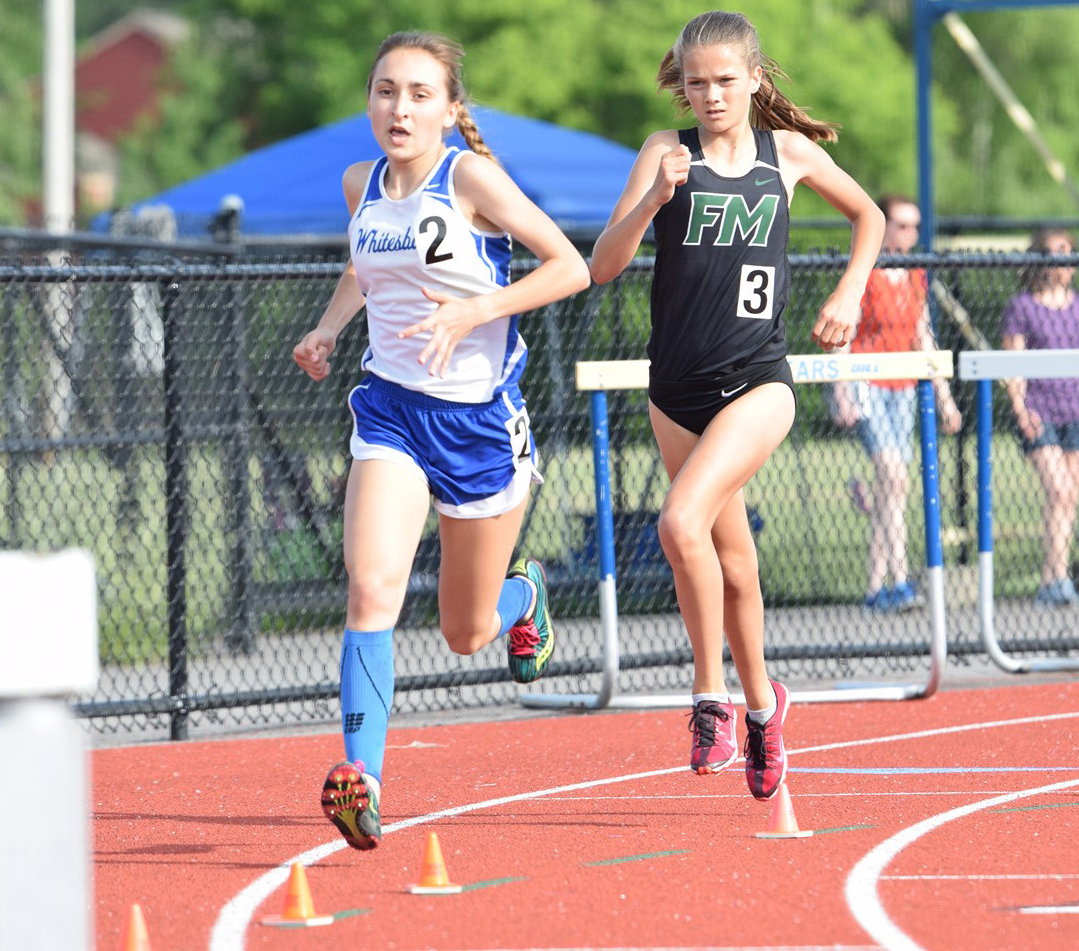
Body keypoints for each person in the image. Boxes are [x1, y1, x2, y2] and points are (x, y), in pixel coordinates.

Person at [293, 30, 589, 851]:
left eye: (420, 94)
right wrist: (327, 329)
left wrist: (475, 310)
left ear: (450, 110)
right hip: (390, 409)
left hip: (477, 424)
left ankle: (522, 597)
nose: (399, 108)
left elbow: (569, 266)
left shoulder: (469, 178)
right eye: (386, 90)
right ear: (369, 100)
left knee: (465, 632)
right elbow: (361, 268)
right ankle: (363, 780)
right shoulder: (359, 184)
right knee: (370, 587)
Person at [587, 11, 884, 801]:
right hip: (674, 388)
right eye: (696, 82)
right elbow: (602, 265)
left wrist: (849, 292)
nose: (711, 94)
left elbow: (869, 215)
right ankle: (762, 709)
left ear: (753, 78)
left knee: (678, 523)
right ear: (680, 87)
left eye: (724, 79)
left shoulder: (785, 154)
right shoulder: (664, 151)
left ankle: (708, 697)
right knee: (733, 560)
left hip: (757, 380)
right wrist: (652, 200)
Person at [830, 195, 962, 612]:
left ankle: (876, 588)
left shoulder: (916, 275)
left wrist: (944, 398)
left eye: (914, 226)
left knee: (892, 487)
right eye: (902, 225)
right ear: (883, 226)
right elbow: (845, 333)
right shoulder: (865, 271)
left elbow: (923, 334)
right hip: (868, 380)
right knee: (894, 474)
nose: (910, 234)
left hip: (904, 385)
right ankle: (901, 579)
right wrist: (842, 389)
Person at [1002, 228, 1079, 606]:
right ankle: (1056, 576)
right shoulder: (1022, 307)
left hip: (1075, 411)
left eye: (1069, 253)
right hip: (1040, 411)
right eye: (1056, 254)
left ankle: (1054, 576)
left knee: (1070, 496)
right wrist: (1021, 410)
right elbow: (1013, 364)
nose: (1065, 262)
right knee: (1059, 490)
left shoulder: (1077, 306)